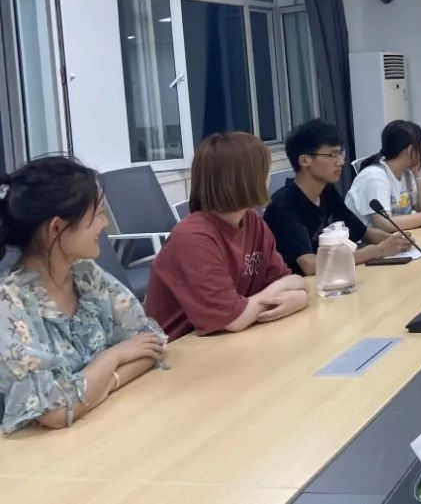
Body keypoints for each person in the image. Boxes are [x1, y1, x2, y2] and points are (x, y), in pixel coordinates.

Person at [0, 157, 166, 434]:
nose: (105, 223)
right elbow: (54, 412)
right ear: (56, 227)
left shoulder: (86, 275)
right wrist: (113, 357)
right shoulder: (10, 304)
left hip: (105, 429)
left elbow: (150, 344)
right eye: (97, 215)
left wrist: (96, 388)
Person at [145, 133, 308, 341]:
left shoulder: (252, 221)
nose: (268, 177)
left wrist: (298, 296)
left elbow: (291, 284)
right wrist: (283, 288)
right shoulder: (192, 237)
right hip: (181, 348)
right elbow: (233, 319)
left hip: (231, 339)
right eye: (264, 170)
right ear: (245, 178)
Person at [263, 119, 412, 275]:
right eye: (332, 155)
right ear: (304, 160)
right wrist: (377, 251)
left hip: (334, 277)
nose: (340, 161)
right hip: (305, 284)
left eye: (340, 154)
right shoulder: (283, 206)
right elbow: (310, 265)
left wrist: (396, 241)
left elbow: (363, 233)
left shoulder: (326, 191)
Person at [345, 120, 421, 231]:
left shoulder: (407, 173)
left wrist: (419, 174)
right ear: (410, 150)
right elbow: (385, 224)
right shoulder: (374, 177)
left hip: (398, 237)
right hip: (367, 241)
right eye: (420, 147)